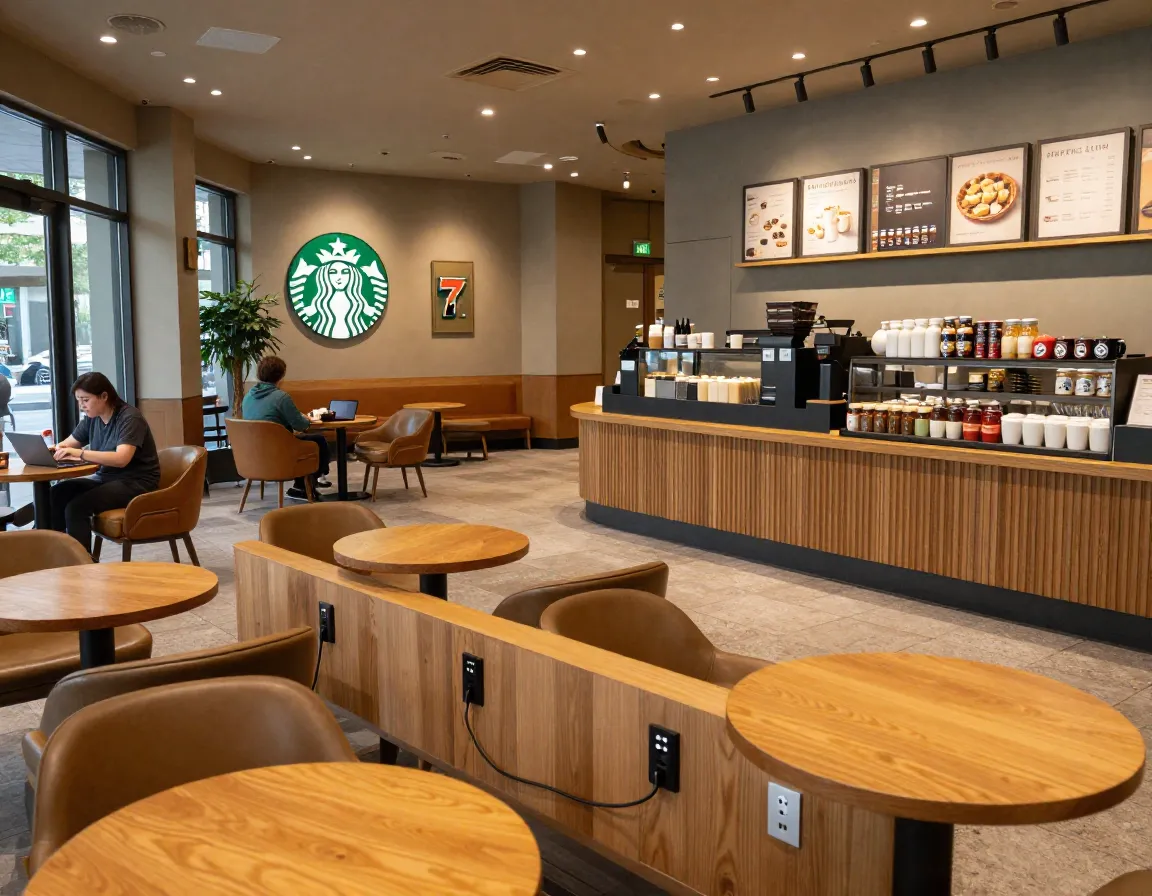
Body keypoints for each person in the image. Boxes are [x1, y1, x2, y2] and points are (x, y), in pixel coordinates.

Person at [50, 372, 160, 554]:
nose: (81, 406)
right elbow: (67, 444)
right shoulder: (92, 419)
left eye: (85, 400)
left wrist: (80, 453)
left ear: (103, 396)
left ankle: (81, 562)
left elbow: (121, 459)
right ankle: (56, 551)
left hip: (137, 482)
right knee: (57, 492)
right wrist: (55, 450)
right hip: (106, 478)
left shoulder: (129, 418)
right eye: (78, 400)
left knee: (77, 507)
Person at [241, 355, 330, 499]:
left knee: (305, 440)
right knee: (318, 441)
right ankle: (307, 484)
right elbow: (300, 425)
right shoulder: (281, 397)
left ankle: (302, 485)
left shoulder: (248, 396)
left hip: (254, 453)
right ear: (281, 376)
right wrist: (306, 419)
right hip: (279, 452)